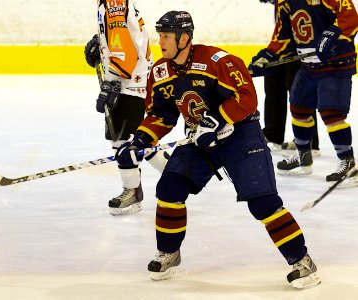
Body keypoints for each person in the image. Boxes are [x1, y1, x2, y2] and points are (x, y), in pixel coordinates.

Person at [115, 10, 321, 288]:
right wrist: (140, 140)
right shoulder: (160, 72)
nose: (160, 41)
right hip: (200, 141)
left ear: (184, 38)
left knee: (262, 202)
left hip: (240, 136)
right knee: (169, 188)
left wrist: (216, 120)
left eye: (166, 36)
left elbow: (246, 98)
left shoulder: (217, 61)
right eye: (160, 35)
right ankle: (169, 253)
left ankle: (302, 261)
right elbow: (161, 115)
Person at [248, 0, 358, 187]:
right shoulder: (285, 2)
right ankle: (303, 155)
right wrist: (267, 56)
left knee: (331, 114)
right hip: (308, 66)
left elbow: (351, 18)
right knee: (299, 108)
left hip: (335, 64)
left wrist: (333, 34)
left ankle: (347, 162)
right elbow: (282, 36)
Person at [84, 0, 169, 215]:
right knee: (139, 139)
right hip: (133, 78)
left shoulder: (113, 2)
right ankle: (177, 174)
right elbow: (123, 35)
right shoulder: (114, 2)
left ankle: (132, 191)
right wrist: (100, 44)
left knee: (122, 140)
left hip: (128, 81)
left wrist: (113, 81)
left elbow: (124, 49)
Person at [257, 0, 320, 157]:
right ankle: (273, 135)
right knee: (273, 86)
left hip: (301, 47)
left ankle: (310, 141)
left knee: (300, 94)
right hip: (281, 45)